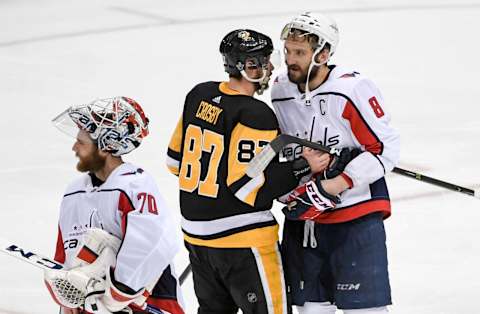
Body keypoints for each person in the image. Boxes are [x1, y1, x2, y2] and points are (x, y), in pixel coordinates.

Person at [166, 29, 326, 314]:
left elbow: (174, 163)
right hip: (244, 244)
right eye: (263, 61)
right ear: (248, 67)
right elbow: (248, 187)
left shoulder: (199, 94)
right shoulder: (255, 114)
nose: (271, 67)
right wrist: (303, 165)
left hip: (197, 241)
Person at [271, 12, 401, 314]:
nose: (291, 59)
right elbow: (279, 148)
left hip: (355, 221)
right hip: (305, 224)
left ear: (324, 53)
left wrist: (338, 182)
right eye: (288, 50)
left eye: (300, 53)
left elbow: (385, 148)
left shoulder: (351, 89)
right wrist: (290, 191)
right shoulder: (280, 91)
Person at [48, 97, 184, 314]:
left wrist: (115, 296)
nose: (74, 147)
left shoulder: (134, 185)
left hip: (151, 306)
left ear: (105, 147)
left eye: (81, 142)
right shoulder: (73, 193)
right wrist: (68, 298)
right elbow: (65, 254)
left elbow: (155, 245)